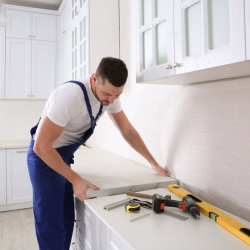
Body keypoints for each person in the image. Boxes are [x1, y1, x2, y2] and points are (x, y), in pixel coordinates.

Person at [27, 57, 169, 250]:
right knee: (51, 225)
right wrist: (75, 179)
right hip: (44, 159)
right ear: (94, 79)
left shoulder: (109, 97)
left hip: (64, 158)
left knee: (66, 219)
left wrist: (152, 162)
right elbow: (41, 146)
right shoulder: (69, 96)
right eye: (108, 94)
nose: (111, 101)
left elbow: (127, 130)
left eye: (117, 95)